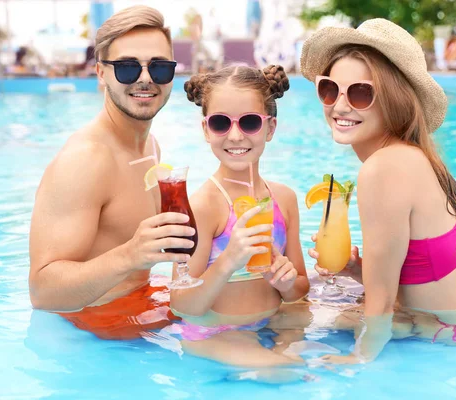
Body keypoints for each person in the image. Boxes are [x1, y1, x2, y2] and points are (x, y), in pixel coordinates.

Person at [298, 19, 456, 363]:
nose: (340, 105)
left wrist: (358, 360)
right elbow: (413, 269)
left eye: (361, 92)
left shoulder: (382, 168)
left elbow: (380, 307)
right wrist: (356, 270)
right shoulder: (412, 154)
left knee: (288, 318)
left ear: (393, 100)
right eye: (329, 89)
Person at [28, 6, 193, 340]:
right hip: (95, 338)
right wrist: (130, 255)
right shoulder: (86, 161)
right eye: (128, 67)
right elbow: (42, 293)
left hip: (139, 312)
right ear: (101, 73)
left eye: (159, 67)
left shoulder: (150, 147)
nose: (145, 79)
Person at [168, 64, 310, 367]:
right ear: (206, 129)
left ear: (270, 128)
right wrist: (228, 261)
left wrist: (284, 283)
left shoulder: (283, 199)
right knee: (286, 370)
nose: (235, 136)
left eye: (249, 122)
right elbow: (182, 305)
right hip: (214, 333)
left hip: (270, 322)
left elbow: (300, 288)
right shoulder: (203, 207)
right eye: (221, 123)